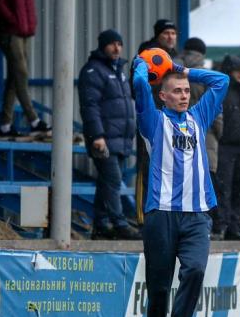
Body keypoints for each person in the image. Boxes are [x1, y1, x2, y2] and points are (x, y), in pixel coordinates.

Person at [132, 50, 229, 317]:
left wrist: (184, 70)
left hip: (197, 214)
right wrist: (141, 66)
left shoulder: (198, 117)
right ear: (163, 96)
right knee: (159, 286)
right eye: (177, 90)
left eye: (186, 91)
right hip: (161, 213)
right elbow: (139, 86)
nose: (184, 95)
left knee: (196, 270)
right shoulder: (153, 121)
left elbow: (221, 81)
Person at [78, 29, 139, 240]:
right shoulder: (93, 71)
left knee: (106, 182)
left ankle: (101, 225)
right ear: (103, 46)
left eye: (119, 44)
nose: (117, 48)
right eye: (112, 44)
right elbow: (90, 106)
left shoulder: (119, 71)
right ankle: (119, 223)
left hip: (120, 139)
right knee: (113, 180)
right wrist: (97, 135)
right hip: (104, 139)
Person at [133, 19, 179, 225]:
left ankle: (166, 214)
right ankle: (144, 217)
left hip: (172, 121)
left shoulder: (176, 58)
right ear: (158, 35)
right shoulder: (147, 56)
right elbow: (136, 86)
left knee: (171, 167)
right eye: (166, 33)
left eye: (173, 33)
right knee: (147, 166)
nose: (170, 37)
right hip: (152, 120)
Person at [0, 0, 50, 140]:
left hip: (22, 31)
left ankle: (5, 126)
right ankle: (33, 120)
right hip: (10, 32)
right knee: (21, 74)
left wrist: (29, 23)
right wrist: (13, 21)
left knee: (14, 77)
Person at [179, 37, 224, 240]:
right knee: (207, 183)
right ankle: (211, 226)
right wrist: (218, 133)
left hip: (179, 134)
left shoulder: (175, 71)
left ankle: (188, 225)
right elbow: (217, 110)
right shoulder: (205, 75)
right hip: (206, 137)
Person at [214, 55, 240, 241]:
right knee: (225, 188)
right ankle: (222, 225)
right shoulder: (223, 92)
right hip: (226, 146)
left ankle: (235, 226)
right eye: (237, 71)